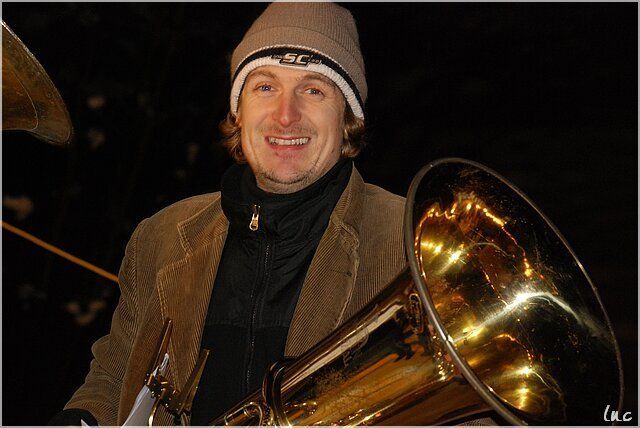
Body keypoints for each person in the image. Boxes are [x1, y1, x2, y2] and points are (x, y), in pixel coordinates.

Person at [50, 3, 407, 426]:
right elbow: (113, 377)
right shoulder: (160, 235)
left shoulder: (410, 240)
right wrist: (82, 418)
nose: (286, 116)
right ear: (238, 112)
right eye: (265, 87)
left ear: (348, 119)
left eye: (314, 90)